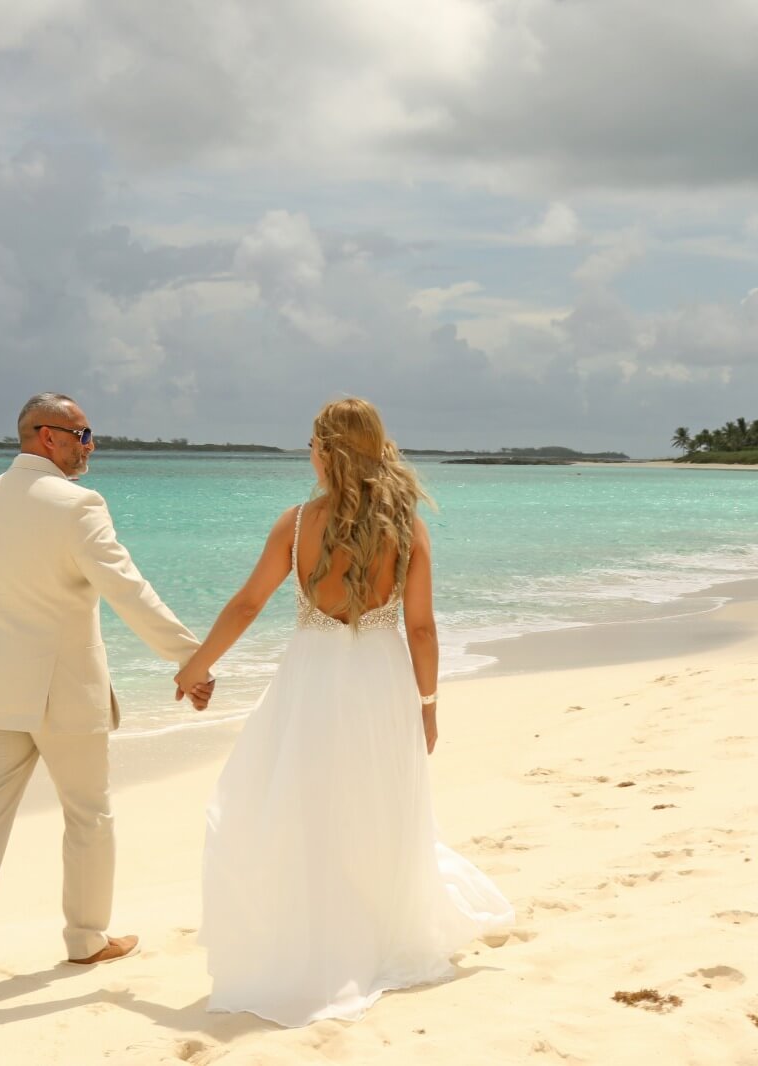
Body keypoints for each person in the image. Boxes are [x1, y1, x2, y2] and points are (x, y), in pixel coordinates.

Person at [174, 397, 514, 1026]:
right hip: (381, 683)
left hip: (310, 682)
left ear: (327, 451)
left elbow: (247, 604)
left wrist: (197, 667)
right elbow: (421, 629)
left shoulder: (297, 524)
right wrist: (429, 705)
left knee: (300, 802)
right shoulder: (406, 525)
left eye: (312, 442)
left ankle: (315, 931)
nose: (308, 452)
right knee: (377, 803)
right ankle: (375, 932)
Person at [0, 393, 213, 998]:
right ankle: (86, 939)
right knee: (89, 814)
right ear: (47, 436)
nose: (92, 445)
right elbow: (127, 587)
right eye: (84, 434)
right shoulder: (79, 505)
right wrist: (189, 657)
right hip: (62, 693)